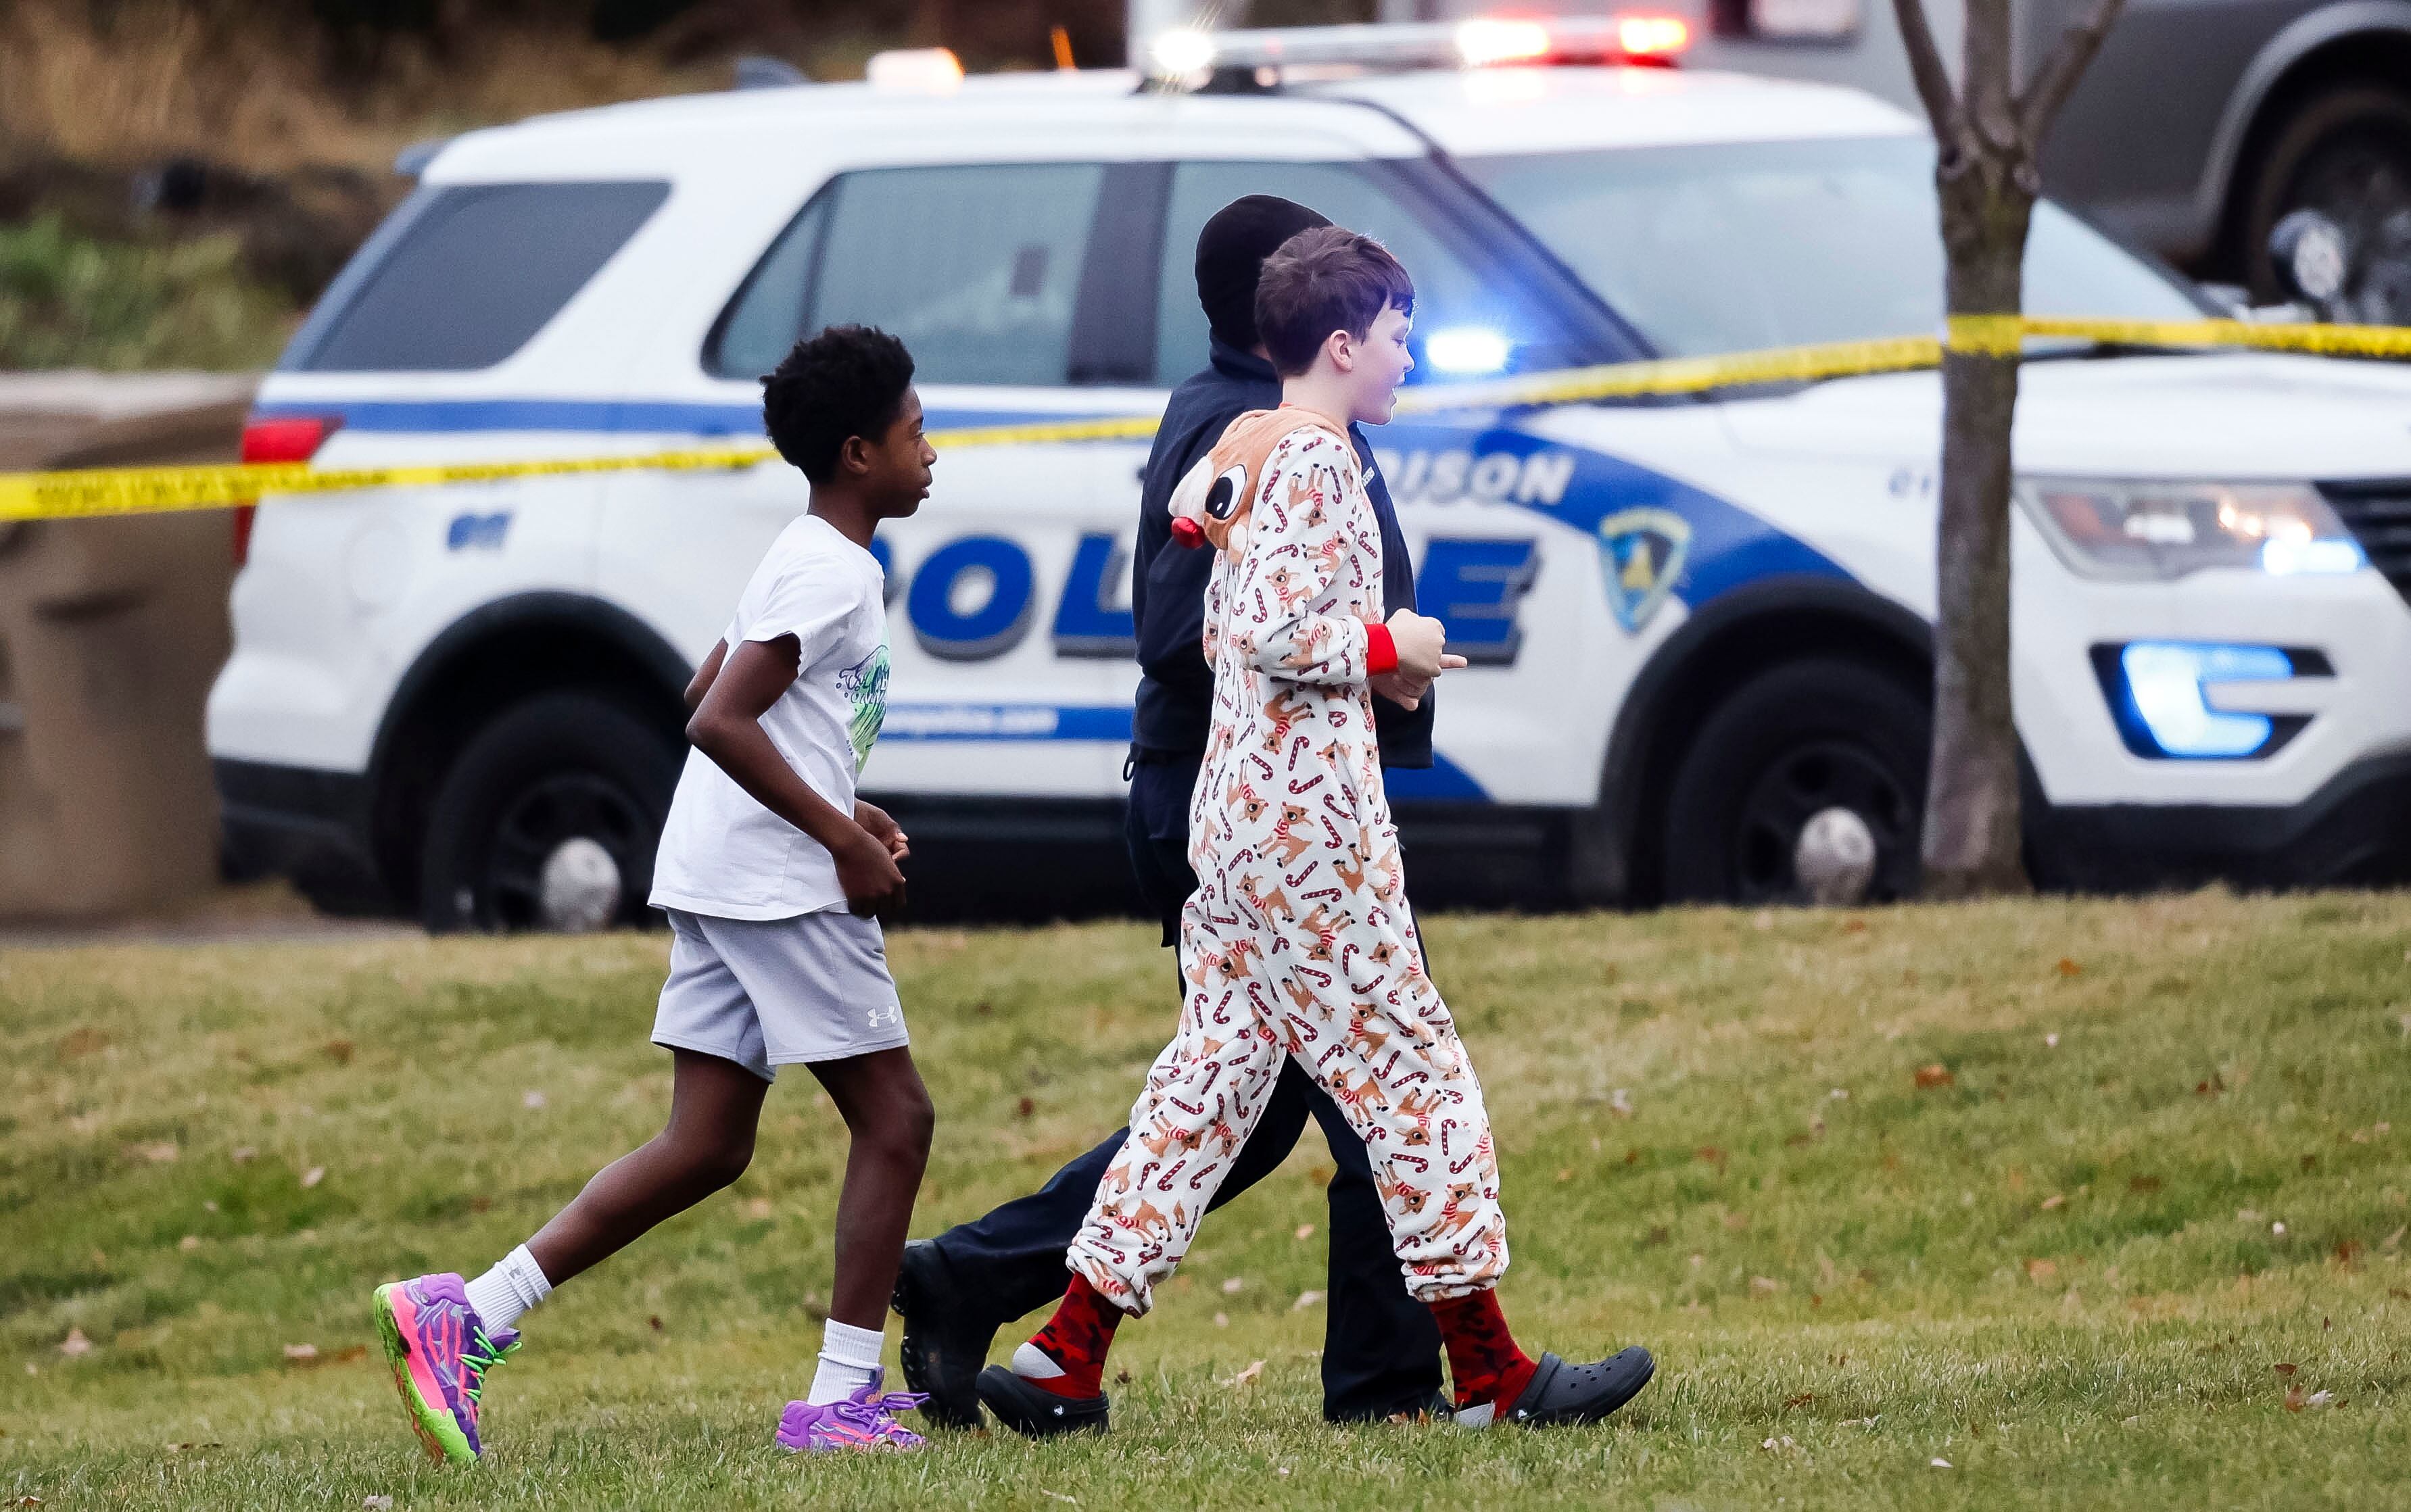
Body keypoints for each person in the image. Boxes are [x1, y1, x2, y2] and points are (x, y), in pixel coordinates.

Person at [977, 226, 1656, 1436]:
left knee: (1207, 1083)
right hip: (1311, 829)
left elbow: (1200, 531)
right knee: (1414, 1074)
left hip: (1231, 822)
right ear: (1341, 346)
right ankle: (1493, 1373)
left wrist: (1366, 654)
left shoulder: (1245, 442)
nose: (1408, 360)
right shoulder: (1320, 460)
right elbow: (1281, 634)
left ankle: (1062, 1354)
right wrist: (1400, 647)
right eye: (1400, 337)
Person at [890, 195, 1451, 1430]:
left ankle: (993, 1289)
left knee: (1245, 1107)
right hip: (1255, 819)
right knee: (1375, 1088)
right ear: (1290, 311)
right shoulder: (1248, 435)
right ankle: (1387, 1385)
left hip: (1263, 809)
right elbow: (1177, 630)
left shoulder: (1270, 424)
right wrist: (1366, 649)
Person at [372, 324, 938, 1461]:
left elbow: (713, 680)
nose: (933, 450)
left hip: (721, 867)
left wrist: (847, 802)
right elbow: (715, 717)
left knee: (708, 1141)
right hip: (774, 884)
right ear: (857, 452)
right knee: (897, 1117)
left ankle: (467, 1312)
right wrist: (837, 836)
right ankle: (839, 1400)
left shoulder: (802, 549)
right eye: (916, 430)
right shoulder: (835, 568)